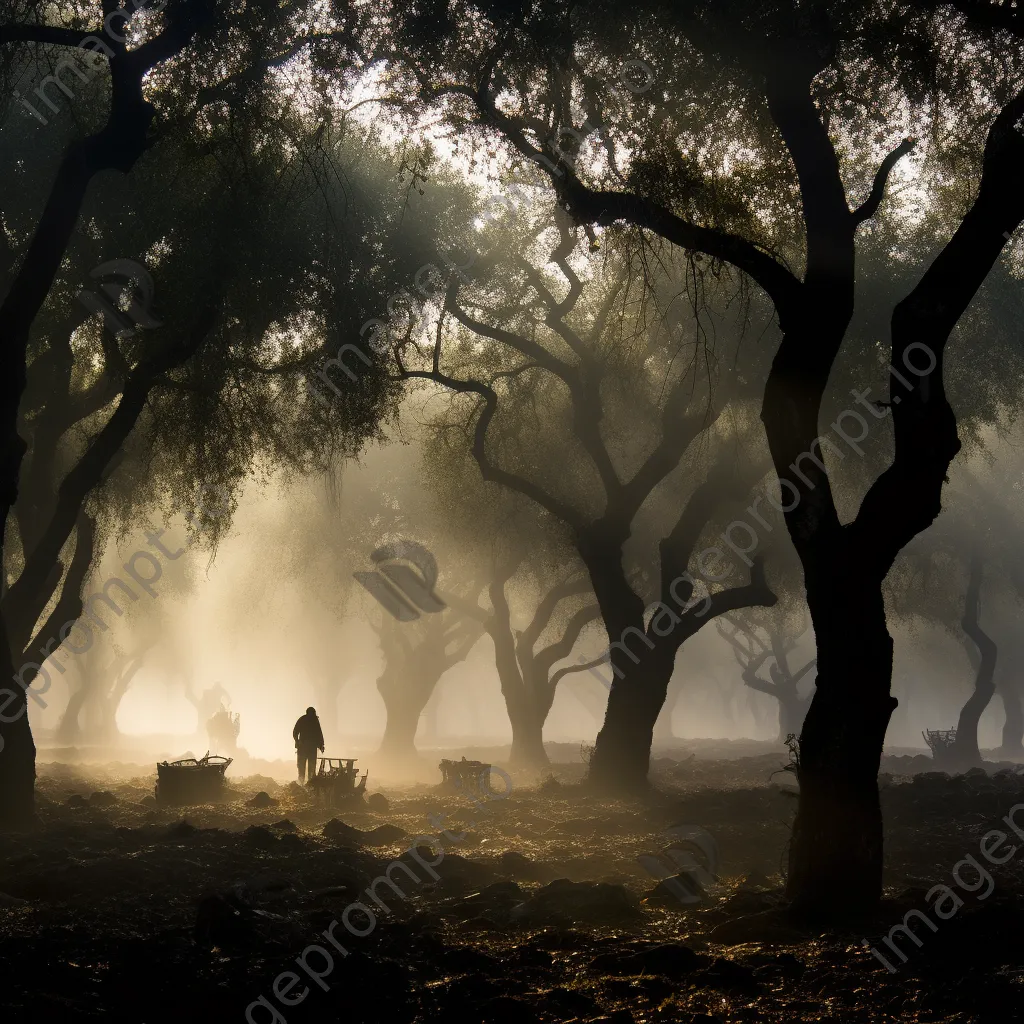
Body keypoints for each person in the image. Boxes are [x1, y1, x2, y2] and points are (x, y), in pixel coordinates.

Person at [293, 706, 325, 784]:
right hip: (309, 749)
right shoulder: (314, 720)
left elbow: (295, 732)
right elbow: (319, 734)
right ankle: (308, 785)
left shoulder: (304, 719)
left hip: (305, 748)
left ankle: (303, 784)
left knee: (303, 769)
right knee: (309, 769)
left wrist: (297, 741)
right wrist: (321, 746)